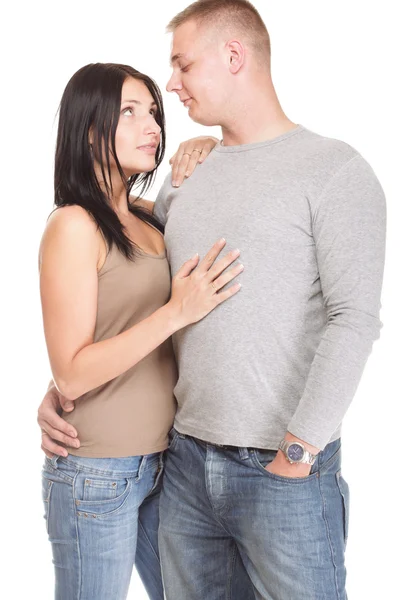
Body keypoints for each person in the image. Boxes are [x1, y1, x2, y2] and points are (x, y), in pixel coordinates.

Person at [40, 1, 387, 599]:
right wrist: (62, 390)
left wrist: (299, 453)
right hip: (182, 466)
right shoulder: (176, 183)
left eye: (181, 67)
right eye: (138, 107)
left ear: (233, 57)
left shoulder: (331, 170)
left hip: (276, 468)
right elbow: (121, 296)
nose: (170, 88)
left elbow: (353, 319)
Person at [39, 61, 245, 600]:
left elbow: (242, 173)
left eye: (153, 111)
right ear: (89, 129)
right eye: (129, 112)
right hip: (96, 474)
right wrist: (177, 311)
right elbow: (72, 373)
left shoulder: (146, 214)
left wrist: (203, 143)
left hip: (166, 464)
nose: (151, 126)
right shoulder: (73, 225)